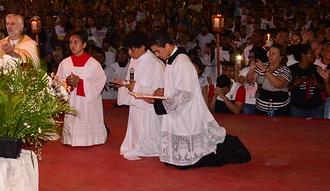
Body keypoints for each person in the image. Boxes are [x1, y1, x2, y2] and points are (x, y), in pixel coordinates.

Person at [147, 30, 250, 169]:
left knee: (192, 160)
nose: (156, 55)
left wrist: (158, 102)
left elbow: (183, 95)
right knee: (173, 160)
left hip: (187, 112)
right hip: (177, 113)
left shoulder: (182, 62)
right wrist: (162, 93)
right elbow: (176, 87)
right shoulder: (172, 60)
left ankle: (234, 148)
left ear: (167, 45)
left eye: (157, 51)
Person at [116, 31, 165, 161]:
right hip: (135, 107)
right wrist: (122, 84)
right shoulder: (133, 60)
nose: (130, 53)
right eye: (128, 50)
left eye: (132, 49)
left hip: (148, 110)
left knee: (150, 145)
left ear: (142, 47)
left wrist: (135, 87)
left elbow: (158, 92)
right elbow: (130, 81)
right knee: (134, 142)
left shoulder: (156, 64)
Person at [56, 31, 107, 147]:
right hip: (72, 100)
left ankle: (91, 138)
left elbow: (100, 82)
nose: (72, 45)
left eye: (76, 42)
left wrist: (81, 82)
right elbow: (58, 83)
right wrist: (67, 83)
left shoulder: (93, 64)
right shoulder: (65, 63)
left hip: (87, 104)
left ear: (84, 45)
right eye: (70, 43)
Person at [246, 45, 292, 116]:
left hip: (279, 110)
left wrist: (265, 70)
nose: (270, 55)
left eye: (273, 53)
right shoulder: (264, 65)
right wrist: (252, 69)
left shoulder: (284, 69)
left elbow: (278, 84)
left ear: (280, 57)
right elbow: (250, 81)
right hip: (261, 109)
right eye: (269, 52)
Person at [288, 44, 326, 118]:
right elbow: (285, 88)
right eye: (311, 53)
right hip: (297, 107)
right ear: (303, 55)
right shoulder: (292, 69)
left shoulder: (317, 69)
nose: (314, 55)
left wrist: (315, 83)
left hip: (315, 107)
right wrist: (295, 84)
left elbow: (325, 88)